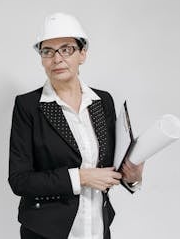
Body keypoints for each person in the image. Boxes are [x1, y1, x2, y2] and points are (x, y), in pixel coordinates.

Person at [8, 13, 144, 239]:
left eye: (66, 49)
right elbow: (20, 180)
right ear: (41, 59)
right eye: (47, 51)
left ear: (83, 54)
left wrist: (132, 175)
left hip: (97, 228)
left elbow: (109, 168)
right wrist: (80, 178)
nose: (57, 58)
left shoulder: (103, 102)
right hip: (47, 232)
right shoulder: (29, 106)